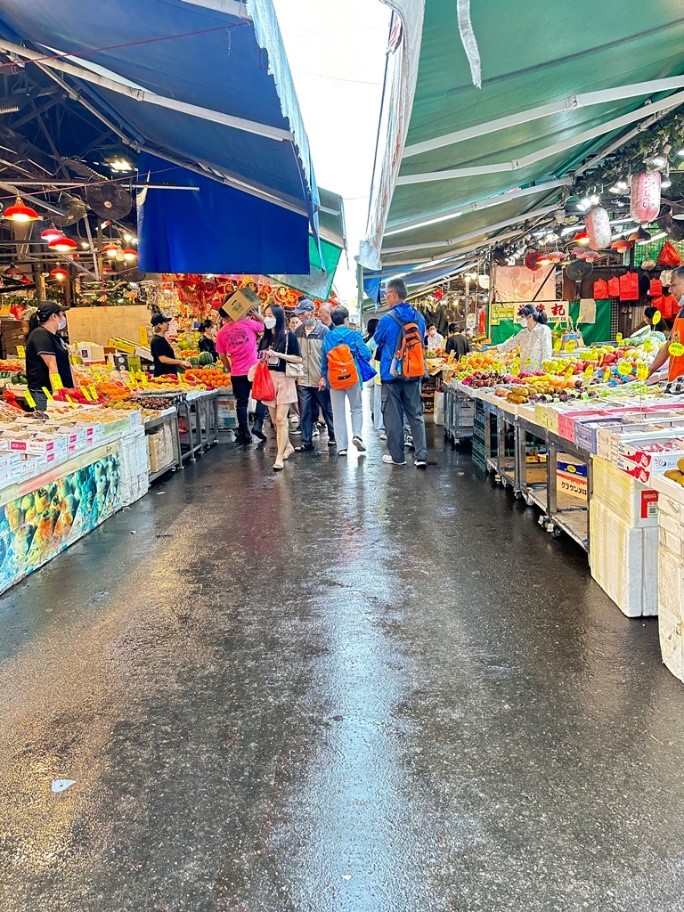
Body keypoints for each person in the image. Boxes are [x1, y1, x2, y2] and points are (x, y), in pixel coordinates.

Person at [373, 278, 428, 468]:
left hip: (391, 374)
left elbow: (378, 340)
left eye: (387, 294)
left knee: (393, 417)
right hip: (413, 372)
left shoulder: (387, 319)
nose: (386, 298)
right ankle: (421, 457)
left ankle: (398, 457)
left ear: (394, 294)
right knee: (416, 414)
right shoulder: (419, 317)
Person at [320, 305, 372, 456]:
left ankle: (342, 447)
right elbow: (367, 354)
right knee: (356, 407)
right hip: (352, 376)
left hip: (334, 378)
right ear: (346, 319)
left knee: (338, 412)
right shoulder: (354, 335)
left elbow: (323, 360)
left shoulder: (328, 337)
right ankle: (357, 435)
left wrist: (325, 375)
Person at [216, 303, 265, 445]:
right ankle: (257, 424)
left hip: (237, 371)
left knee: (241, 403)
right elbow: (266, 326)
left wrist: (230, 368)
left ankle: (245, 433)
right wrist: (255, 314)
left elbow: (222, 356)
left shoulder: (221, 333)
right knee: (262, 397)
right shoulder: (249, 323)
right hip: (254, 369)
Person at [260, 304, 302, 470]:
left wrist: (278, 355)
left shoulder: (289, 336)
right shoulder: (265, 338)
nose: (268, 318)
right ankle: (288, 446)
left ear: (278, 318)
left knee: (280, 419)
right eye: (266, 315)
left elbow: (298, 359)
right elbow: (259, 356)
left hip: (285, 379)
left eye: (271, 315)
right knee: (275, 421)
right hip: (269, 380)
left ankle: (279, 456)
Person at [293, 298, 335, 452]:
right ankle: (306, 441)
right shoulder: (298, 332)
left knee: (326, 408)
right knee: (305, 411)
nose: (300, 317)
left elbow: (330, 356)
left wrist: (325, 376)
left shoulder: (324, 331)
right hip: (303, 378)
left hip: (320, 378)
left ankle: (333, 436)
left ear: (311, 312)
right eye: (299, 315)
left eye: (302, 313)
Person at [25, 303, 74, 411]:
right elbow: (52, 365)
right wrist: (57, 391)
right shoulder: (40, 335)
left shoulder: (55, 335)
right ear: (54, 316)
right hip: (45, 392)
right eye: (61, 314)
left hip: (61, 389)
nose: (63, 318)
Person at [648, 267, 684, 382]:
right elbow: (669, 344)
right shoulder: (681, 313)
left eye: (673, 285)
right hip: (676, 384)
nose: (670, 291)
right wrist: (649, 370)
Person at [498, 304, 552, 371]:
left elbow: (547, 351)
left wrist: (546, 369)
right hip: (524, 371)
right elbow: (508, 345)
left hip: (538, 372)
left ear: (530, 316)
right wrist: (488, 348)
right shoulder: (523, 333)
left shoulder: (543, 329)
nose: (521, 319)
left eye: (522, 317)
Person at [150, 313, 190, 378]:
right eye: (166, 322)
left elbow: (168, 356)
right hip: (163, 378)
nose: (168, 324)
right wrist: (181, 361)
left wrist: (179, 364)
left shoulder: (162, 339)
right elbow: (163, 359)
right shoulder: (157, 340)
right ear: (160, 325)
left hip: (169, 376)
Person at [365, 318, 385, 438]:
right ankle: (385, 428)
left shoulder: (377, 338)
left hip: (380, 375)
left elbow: (366, 348)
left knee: (380, 403)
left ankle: (383, 428)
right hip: (392, 375)